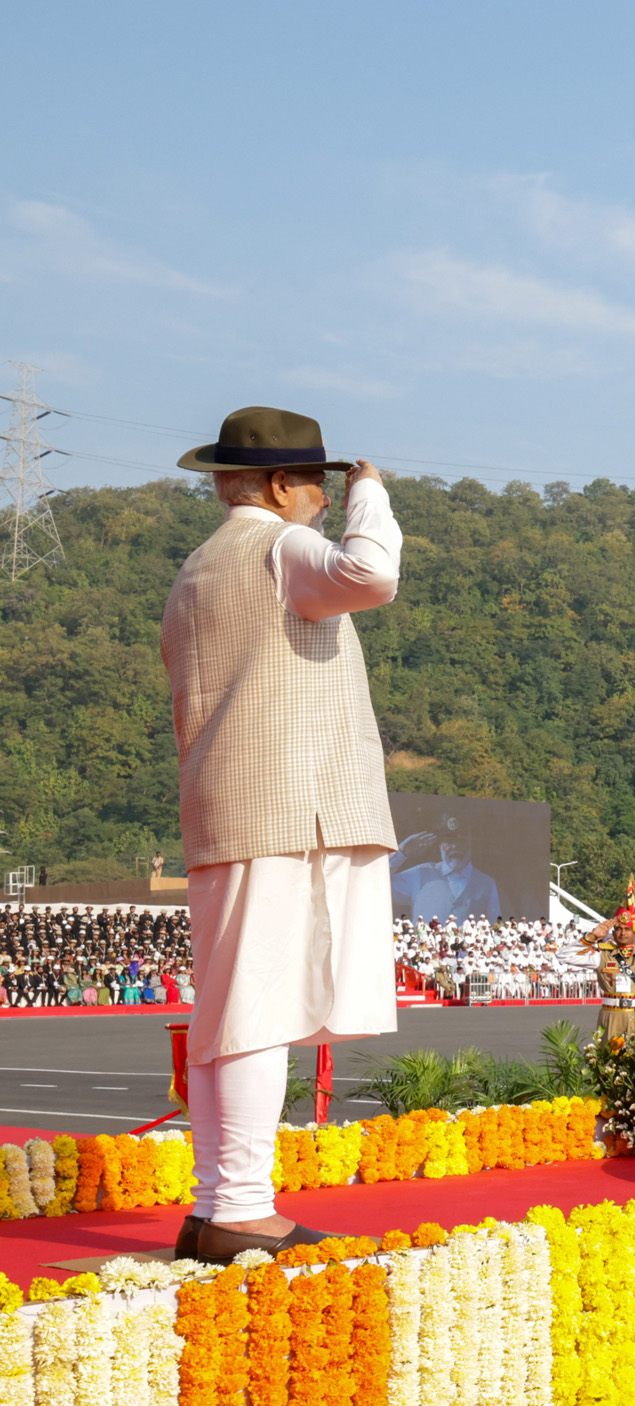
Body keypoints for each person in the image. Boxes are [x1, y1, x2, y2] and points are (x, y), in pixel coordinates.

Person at [162, 406, 400, 1264]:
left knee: (231, 1009)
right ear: (275, 486)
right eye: (317, 484)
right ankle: (242, 1207)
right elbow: (371, 575)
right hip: (286, 804)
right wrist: (372, 496)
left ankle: (216, 1204)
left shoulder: (198, 567)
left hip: (230, 803)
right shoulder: (278, 546)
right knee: (256, 1012)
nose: (323, 501)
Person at [576, 880, 635, 1043]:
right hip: (610, 1015)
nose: (622, 933)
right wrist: (592, 937)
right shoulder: (602, 954)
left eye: (627, 929)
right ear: (613, 932)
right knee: (608, 1061)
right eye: (618, 929)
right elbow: (564, 956)